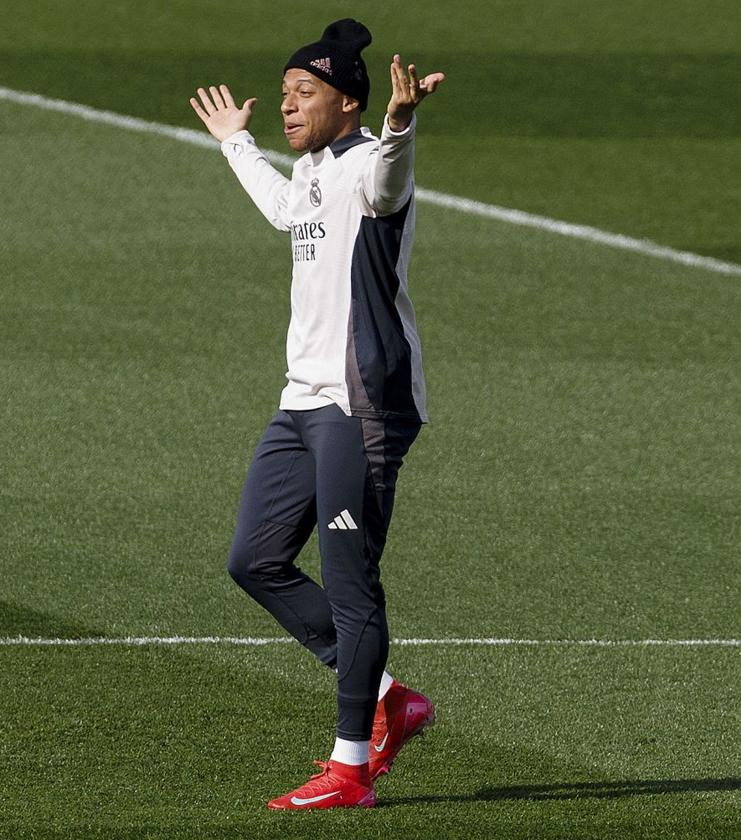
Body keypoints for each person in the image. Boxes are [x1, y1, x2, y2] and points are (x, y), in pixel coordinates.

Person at [189, 18, 445, 810]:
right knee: (254, 559)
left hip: (360, 403)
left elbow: (391, 180)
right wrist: (236, 141)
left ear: (348, 103)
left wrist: (400, 125)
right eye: (287, 93)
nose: (288, 108)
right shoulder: (310, 171)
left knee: (349, 582)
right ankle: (389, 694)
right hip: (300, 402)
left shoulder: (371, 166)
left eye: (304, 95)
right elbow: (283, 212)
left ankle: (351, 768)